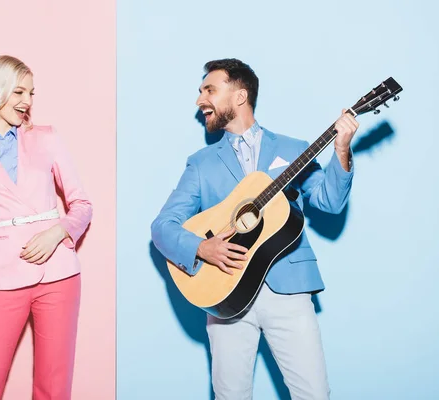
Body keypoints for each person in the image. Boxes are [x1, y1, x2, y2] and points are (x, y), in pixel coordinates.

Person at [151, 58, 359, 400]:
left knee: (314, 394)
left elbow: (330, 202)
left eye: (209, 90)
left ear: (239, 96)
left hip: (289, 288)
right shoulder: (201, 164)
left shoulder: (294, 150)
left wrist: (342, 152)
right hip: (225, 295)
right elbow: (162, 226)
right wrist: (201, 249)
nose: (200, 99)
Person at [0, 55, 93, 400]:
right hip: (1, 279)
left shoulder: (47, 137)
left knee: (54, 388)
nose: (27, 102)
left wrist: (58, 232)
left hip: (59, 274)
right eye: (18, 92)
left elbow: (82, 205)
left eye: (30, 93)